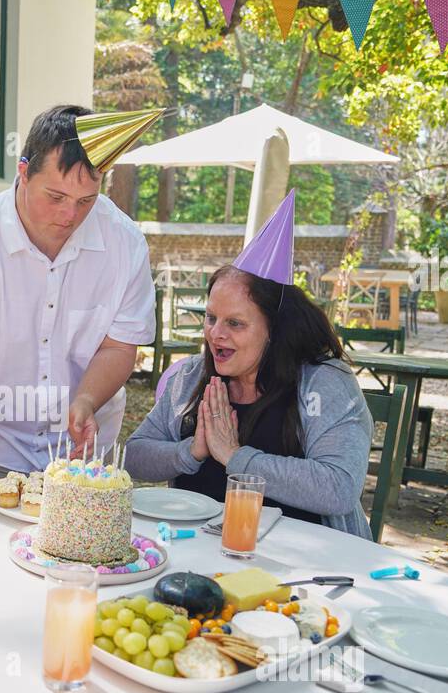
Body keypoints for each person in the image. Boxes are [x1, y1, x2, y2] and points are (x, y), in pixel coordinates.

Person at [0, 104, 157, 481]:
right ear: (24, 171)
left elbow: (119, 347)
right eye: (55, 197)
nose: (70, 215)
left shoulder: (125, 243)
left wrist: (86, 400)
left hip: (84, 458)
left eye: (86, 201)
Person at [126, 192, 374, 537]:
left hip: (304, 558)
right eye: (211, 318)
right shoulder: (191, 376)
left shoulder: (324, 383)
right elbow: (133, 455)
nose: (216, 334)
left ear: (275, 329)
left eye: (235, 323)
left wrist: (235, 456)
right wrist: (191, 451)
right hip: (198, 549)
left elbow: (339, 487)